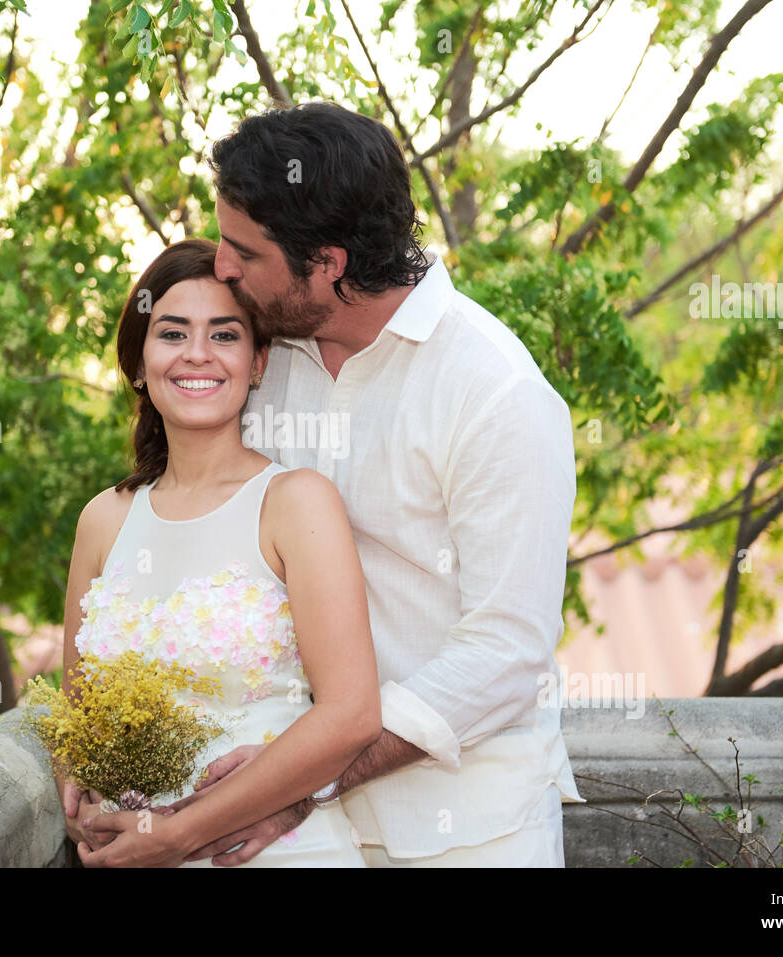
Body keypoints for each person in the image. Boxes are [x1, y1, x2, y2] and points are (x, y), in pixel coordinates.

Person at [164, 101, 585, 867]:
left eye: (244, 253)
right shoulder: (265, 358)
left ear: (327, 265)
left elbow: (505, 653)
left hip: (467, 833)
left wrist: (304, 778)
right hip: (285, 834)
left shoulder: (495, 394)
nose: (222, 268)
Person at [56, 237, 381, 867]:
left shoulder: (295, 503)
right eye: (172, 334)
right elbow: (76, 712)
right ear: (139, 361)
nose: (197, 354)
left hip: (275, 853)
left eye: (225, 335)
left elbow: (351, 714)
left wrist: (182, 834)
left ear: (259, 361)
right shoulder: (104, 519)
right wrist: (79, 801)